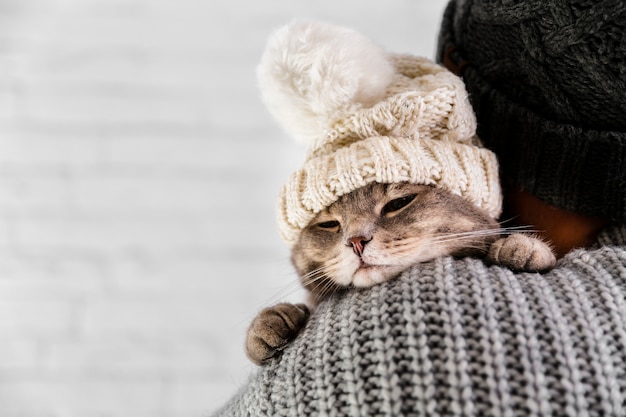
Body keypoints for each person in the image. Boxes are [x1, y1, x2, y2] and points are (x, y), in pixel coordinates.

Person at [213, 1, 626, 415]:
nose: (357, 239)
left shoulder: (416, 320)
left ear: (454, 68)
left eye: (398, 203)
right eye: (327, 223)